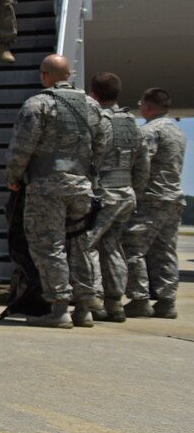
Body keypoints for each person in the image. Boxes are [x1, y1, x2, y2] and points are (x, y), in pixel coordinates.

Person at [4, 54, 106, 329]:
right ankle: (84, 309)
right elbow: (101, 147)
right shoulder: (92, 107)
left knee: (50, 247)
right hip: (81, 188)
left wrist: (13, 177)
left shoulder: (38, 104)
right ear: (69, 74)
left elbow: (22, 147)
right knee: (81, 246)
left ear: (44, 75)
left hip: (46, 187)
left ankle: (59, 308)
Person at [81, 73, 148, 324]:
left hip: (104, 193)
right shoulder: (132, 123)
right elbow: (143, 165)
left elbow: (90, 157)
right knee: (112, 247)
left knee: (86, 245)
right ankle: (115, 302)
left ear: (93, 95)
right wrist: (135, 192)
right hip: (126, 193)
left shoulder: (98, 120)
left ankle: (94, 299)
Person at [123, 87, 185, 319]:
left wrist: (133, 190)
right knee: (164, 250)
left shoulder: (149, 131)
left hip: (151, 199)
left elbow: (141, 165)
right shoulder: (177, 131)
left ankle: (139, 298)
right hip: (173, 199)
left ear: (147, 106)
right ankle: (167, 301)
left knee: (131, 246)